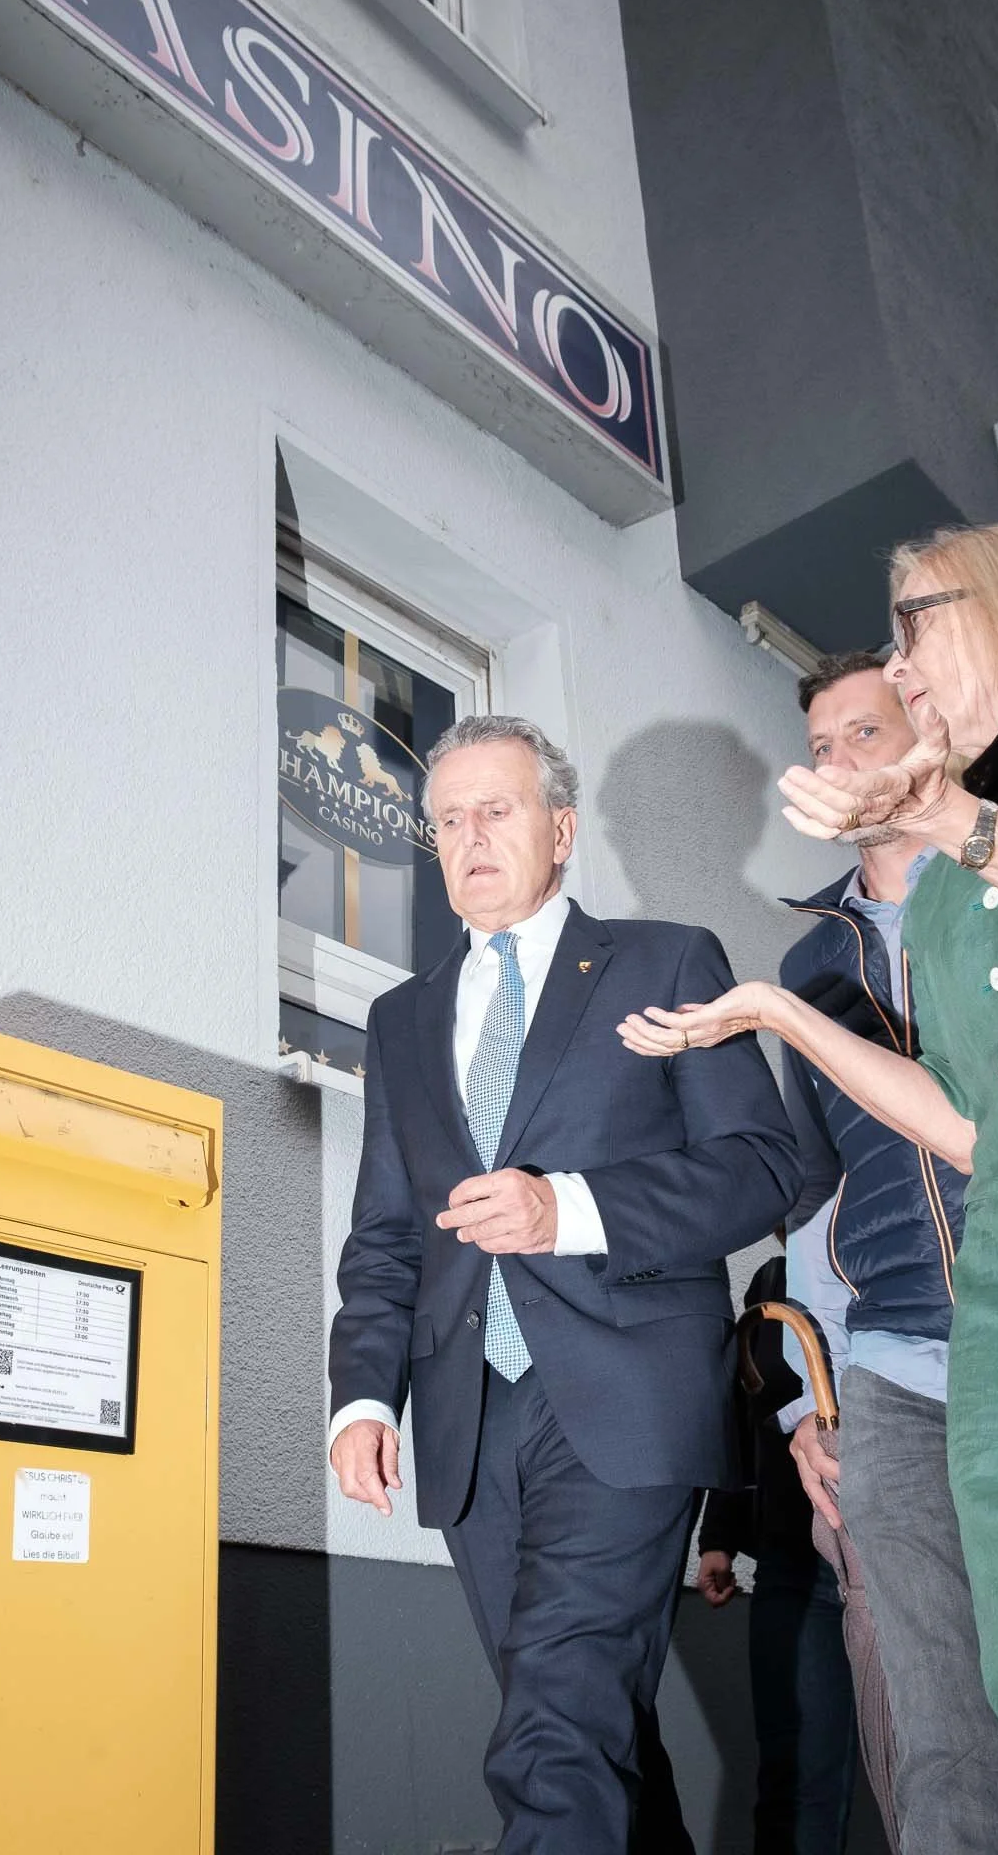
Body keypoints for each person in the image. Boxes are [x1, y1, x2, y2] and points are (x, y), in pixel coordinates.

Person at [618, 525, 998, 1855]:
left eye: (908, 640)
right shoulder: (885, 930)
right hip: (965, 1356)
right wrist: (778, 1010)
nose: (894, 679)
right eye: (823, 737)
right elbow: (912, 1158)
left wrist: (954, 820)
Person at [328, 713, 800, 1855]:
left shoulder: (665, 960)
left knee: (557, 1713)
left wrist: (569, 1208)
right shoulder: (399, 1019)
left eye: (495, 810)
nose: (468, 837)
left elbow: (760, 1166)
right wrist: (361, 1397)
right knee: (586, 1724)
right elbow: (386, 1233)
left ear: (561, 828)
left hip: (627, 1392)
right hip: (468, 1415)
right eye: (446, 820)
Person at [774, 650, 998, 1854]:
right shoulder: (807, 966)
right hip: (891, 1368)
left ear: (923, 735)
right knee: (937, 1735)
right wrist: (803, 1402)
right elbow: (812, 1197)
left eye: (862, 733)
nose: (837, 762)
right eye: (820, 746)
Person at [696, 1237, 861, 1855]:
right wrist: (718, 1538)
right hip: (793, 1565)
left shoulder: (903, 1262)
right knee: (792, 1777)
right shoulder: (773, 1282)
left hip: (893, 1562)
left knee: (932, 1772)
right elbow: (747, 1416)